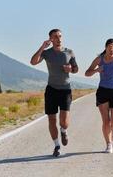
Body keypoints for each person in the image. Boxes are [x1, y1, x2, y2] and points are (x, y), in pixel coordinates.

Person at [30, 29, 78, 157]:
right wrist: (42, 47)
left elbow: (76, 69)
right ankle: (57, 146)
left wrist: (71, 69)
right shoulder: (47, 53)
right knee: (51, 119)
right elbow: (33, 62)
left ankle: (63, 130)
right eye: (55, 37)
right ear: (51, 39)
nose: (59, 39)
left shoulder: (69, 52)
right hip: (51, 89)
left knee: (64, 121)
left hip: (65, 89)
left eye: (60, 36)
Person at [85, 38, 113, 153]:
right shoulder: (100, 59)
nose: (111, 50)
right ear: (105, 47)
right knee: (106, 121)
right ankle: (108, 144)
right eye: (110, 47)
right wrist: (96, 70)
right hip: (103, 91)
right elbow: (87, 73)